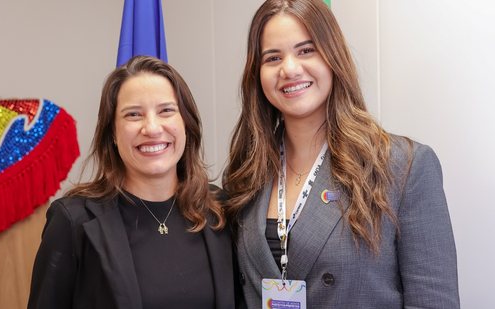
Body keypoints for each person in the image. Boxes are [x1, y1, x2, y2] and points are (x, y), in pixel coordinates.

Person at [223, 0, 459, 308]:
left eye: (306, 50)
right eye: (273, 57)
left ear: (333, 56)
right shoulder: (246, 174)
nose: (290, 68)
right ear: (257, 74)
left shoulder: (402, 167)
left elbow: (433, 302)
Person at [28, 55, 236, 309]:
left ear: (186, 124)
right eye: (133, 114)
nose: (152, 128)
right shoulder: (73, 222)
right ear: (113, 133)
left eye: (166, 111)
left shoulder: (220, 210)